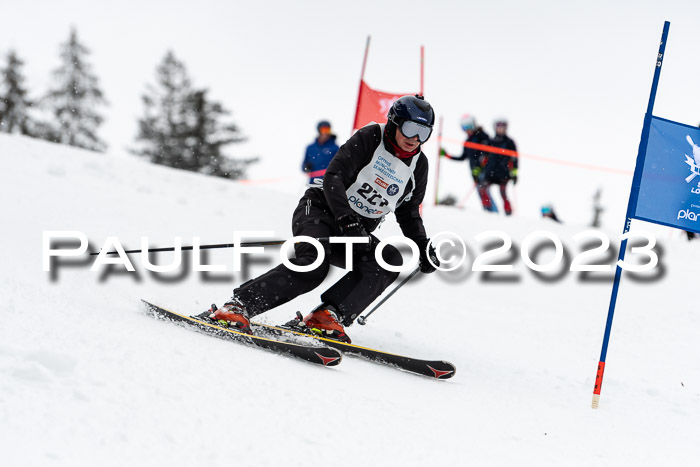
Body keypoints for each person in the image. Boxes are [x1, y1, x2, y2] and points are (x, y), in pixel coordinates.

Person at [203, 95, 440, 343]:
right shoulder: (371, 137)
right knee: (314, 264)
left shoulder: (418, 166)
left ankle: (326, 316)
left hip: (354, 231)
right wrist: (347, 219)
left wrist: (422, 247)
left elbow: (408, 212)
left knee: (389, 259)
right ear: (395, 122)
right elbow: (334, 177)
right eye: (411, 128)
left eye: (424, 132)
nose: (415, 139)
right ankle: (237, 307)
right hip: (320, 211)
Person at [440, 114, 494, 208]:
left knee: (484, 190)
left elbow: (488, 152)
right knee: (480, 191)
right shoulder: (467, 141)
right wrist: (447, 155)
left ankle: (493, 212)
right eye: (465, 127)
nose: (467, 129)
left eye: (469, 126)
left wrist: (482, 163)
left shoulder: (482, 136)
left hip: (484, 170)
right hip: (474, 171)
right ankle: (488, 211)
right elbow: (462, 157)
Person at [476, 118, 518, 215]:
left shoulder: (509, 142)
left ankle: (508, 212)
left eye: (502, 127)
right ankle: (488, 209)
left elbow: (515, 159)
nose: (500, 129)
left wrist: (515, 173)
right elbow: (483, 156)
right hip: (491, 172)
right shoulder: (491, 141)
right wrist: (479, 167)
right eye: (498, 127)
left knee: (502, 192)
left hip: (504, 173)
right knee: (482, 188)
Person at [301, 120, 340, 185]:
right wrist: (306, 168)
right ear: (319, 130)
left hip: (328, 183)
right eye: (323, 130)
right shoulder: (311, 148)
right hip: (313, 183)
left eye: (327, 130)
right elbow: (303, 164)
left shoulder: (335, 148)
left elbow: (339, 165)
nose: (325, 133)